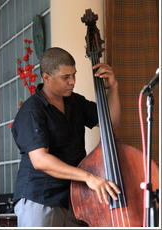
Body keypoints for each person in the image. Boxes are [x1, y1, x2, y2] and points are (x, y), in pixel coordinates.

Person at [12, 47, 121, 227]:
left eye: (74, 75)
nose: (72, 82)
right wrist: (88, 177)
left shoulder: (75, 101)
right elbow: (40, 160)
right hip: (41, 198)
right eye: (66, 77)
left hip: (74, 198)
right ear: (46, 77)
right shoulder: (32, 111)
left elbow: (112, 122)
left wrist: (114, 87)